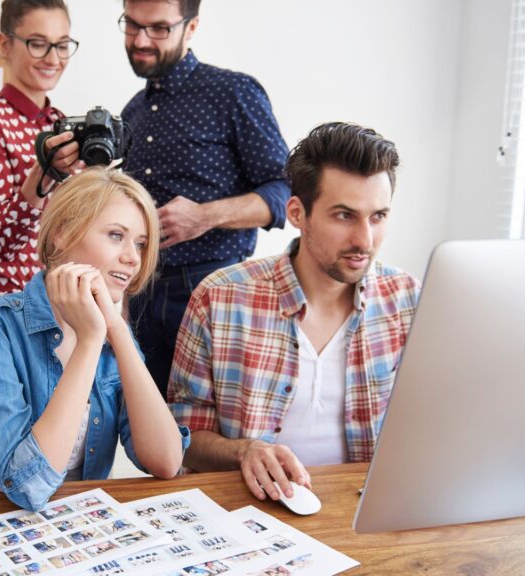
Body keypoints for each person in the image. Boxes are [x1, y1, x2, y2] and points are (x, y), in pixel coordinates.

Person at [168, 122, 420, 502]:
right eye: (344, 216)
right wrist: (244, 451)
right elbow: (181, 437)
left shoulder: (406, 300)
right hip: (251, 514)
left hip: (362, 513)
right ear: (297, 213)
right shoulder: (220, 299)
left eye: (378, 216)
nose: (364, 241)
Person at [0, 168, 190, 511]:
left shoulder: (113, 332)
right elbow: (26, 487)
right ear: (60, 233)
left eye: (141, 244)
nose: (133, 257)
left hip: (73, 528)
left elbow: (165, 461)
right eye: (116, 235)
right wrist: (89, 342)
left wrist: (115, 329)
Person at [118, 0, 291, 398]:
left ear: (190, 27)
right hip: (141, 295)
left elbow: (284, 191)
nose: (141, 40)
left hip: (212, 287)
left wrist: (205, 216)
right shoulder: (133, 111)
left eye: (159, 28)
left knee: (211, 435)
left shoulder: (232, 92)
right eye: (132, 25)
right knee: (151, 436)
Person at [0, 0, 84, 303]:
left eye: (62, 45)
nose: (53, 58)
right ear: (5, 44)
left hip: (56, 298)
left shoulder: (59, 122)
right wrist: (43, 174)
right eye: (38, 44)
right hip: (8, 303)